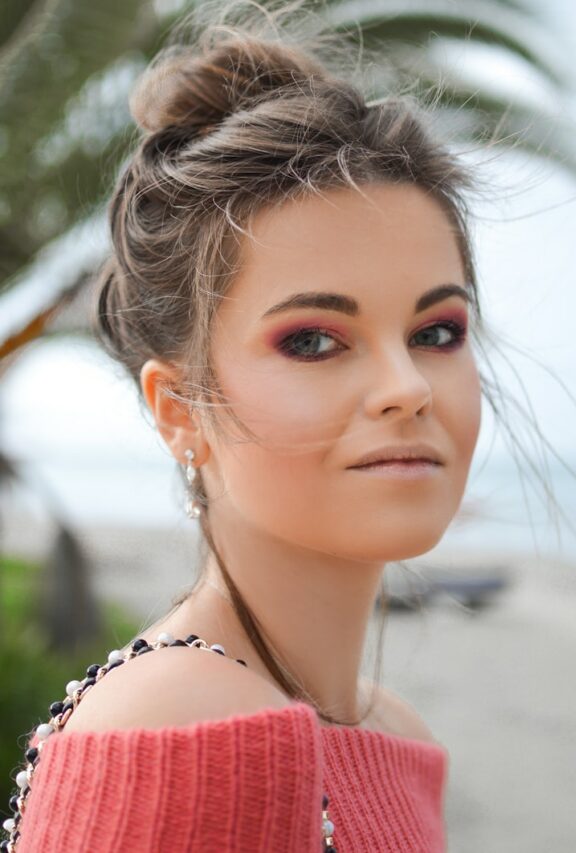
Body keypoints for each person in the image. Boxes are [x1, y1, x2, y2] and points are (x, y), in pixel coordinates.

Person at [4, 1, 489, 850]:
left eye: (436, 331)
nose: (407, 386)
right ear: (178, 409)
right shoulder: (181, 726)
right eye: (312, 340)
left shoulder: (397, 737)